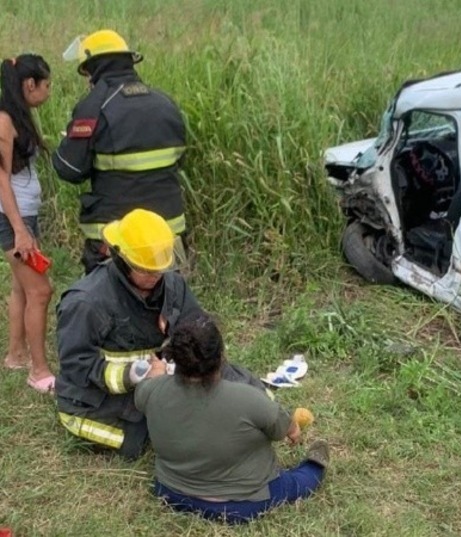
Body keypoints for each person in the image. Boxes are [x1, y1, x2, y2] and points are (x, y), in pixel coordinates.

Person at [55, 209, 265, 459]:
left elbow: (199, 329)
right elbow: (77, 366)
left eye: (160, 269)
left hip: (159, 380)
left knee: (240, 385)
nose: (157, 277)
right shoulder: (87, 303)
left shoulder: (171, 284)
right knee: (163, 432)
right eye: (147, 271)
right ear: (122, 261)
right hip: (96, 400)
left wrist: (185, 349)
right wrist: (135, 374)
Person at [135, 310, 329, 524]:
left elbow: (146, 388)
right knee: (296, 482)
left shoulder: (151, 391)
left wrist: (156, 370)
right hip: (241, 504)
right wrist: (294, 432)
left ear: (176, 357)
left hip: (172, 493)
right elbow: (286, 429)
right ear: (220, 357)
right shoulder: (248, 398)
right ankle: (315, 464)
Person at [53, 29, 188, 274]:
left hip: (117, 236)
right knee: (170, 303)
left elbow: (69, 169)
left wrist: (66, 143)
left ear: (93, 69)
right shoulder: (165, 103)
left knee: (111, 308)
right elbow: (178, 159)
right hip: (168, 231)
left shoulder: (95, 105)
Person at [0, 54, 55, 393]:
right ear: (29, 84)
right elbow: (1, 178)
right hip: (10, 217)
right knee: (41, 290)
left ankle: (15, 355)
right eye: (46, 85)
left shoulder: (19, 116)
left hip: (23, 214)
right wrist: (20, 229)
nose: (48, 93)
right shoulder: (4, 120)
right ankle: (39, 371)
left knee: (22, 288)